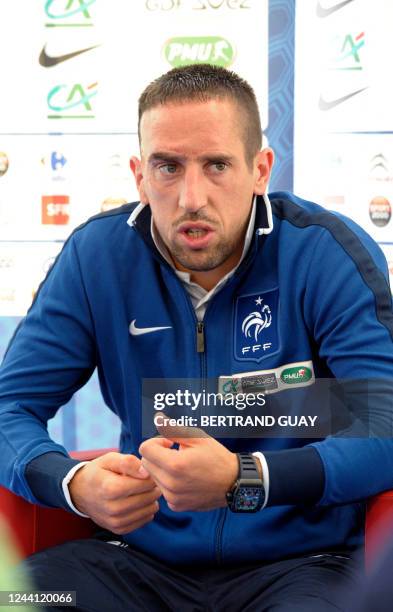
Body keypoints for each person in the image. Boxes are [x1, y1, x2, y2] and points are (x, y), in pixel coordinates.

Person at [0, 63, 392, 612]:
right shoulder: (98, 257)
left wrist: (245, 478)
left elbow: (386, 420)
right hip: (134, 563)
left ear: (260, 170)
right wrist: (71, 482)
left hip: (303, 567)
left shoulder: (323, 253)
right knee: (16, 598)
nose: (190, 197)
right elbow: (9, 407)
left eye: (216, 166)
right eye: (168, 166)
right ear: (139, 174)